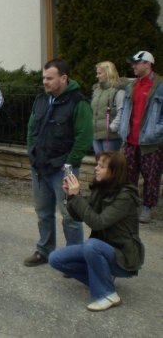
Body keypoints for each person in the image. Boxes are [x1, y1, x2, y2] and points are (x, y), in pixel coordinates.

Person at [49, 151, 145, 312]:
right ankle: (103, 279)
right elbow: (80, 217)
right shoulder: (101, 189)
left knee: (92, 245)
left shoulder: (126, 196)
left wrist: (77, 197)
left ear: (114, 171)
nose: (96, 169)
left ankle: (107, 294)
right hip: (102, 249)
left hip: (124, 257)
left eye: (101, 166)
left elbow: (97, 223)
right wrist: (71, 197)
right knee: (55, 259)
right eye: (97, 164)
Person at [24, 58, 93, 267]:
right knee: (43, 213)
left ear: (63, 78)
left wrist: (69, 166)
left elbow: (84, 137)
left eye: (50, 78)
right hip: (39, 167)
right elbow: (30, 129)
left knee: (70, 217)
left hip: (63, 170)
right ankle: (44, 251)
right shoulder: (41, 100)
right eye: (44, 78)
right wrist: (31, 153)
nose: (45, 82)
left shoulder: (78, 103)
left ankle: (73, 258)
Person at [118, 51, 163, 224]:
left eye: (137, 63)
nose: (133, 66)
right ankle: (129, 205)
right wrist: (123, 128)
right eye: (133, 63)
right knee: (128, 175)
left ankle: (147, 207)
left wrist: (157, 131)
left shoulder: (160, 86)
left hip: (150, 142)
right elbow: (125, 110)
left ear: (147, 64)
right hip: (130, 140)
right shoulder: (132, 86)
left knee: (151, 176)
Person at [91, 61, 126, 154]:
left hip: (111, 137)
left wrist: (112, 128)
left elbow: (122, 112)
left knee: (110, 165)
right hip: (96, 134)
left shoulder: (118, 91)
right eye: (97, 73)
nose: (97, 76)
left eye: (99, 73)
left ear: (108, 73)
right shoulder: (96, 90)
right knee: (100, 163)